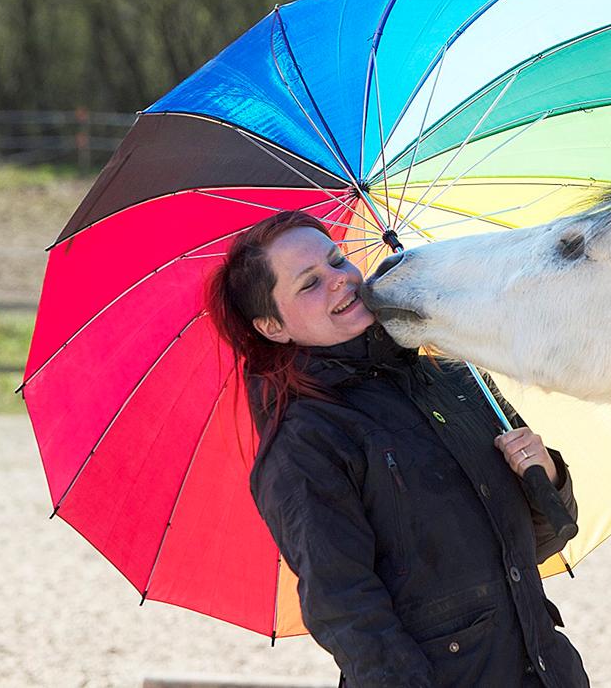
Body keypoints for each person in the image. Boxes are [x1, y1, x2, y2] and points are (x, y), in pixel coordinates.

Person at [206, 210, 589, 688]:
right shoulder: (305, 441)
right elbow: (345, 606)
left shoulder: (456, 378)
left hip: (548, 671)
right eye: (309, 283)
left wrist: (546, 477)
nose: (340, 281)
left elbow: (543, 541)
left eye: (337, 260)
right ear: (272, 327)